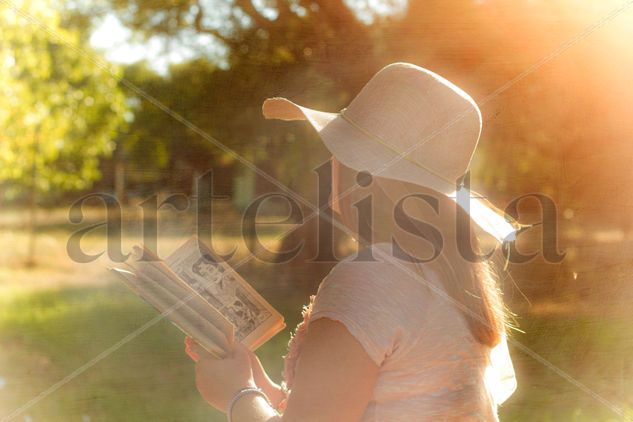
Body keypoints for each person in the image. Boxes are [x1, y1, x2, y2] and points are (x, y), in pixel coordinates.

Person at [184, 62, 518, 421]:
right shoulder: (454, 275)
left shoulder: (371, 279)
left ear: (360, 174)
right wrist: (257, 382)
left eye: (338, 150)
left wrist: (236, 393)